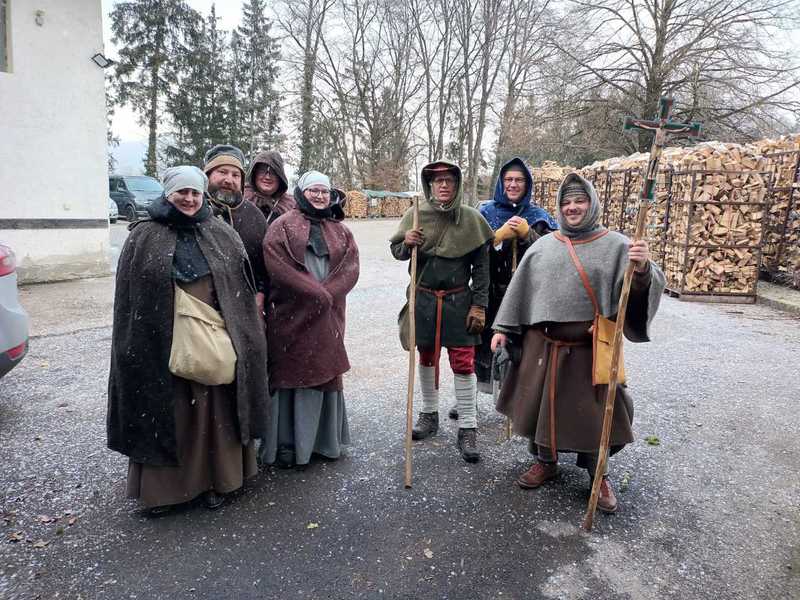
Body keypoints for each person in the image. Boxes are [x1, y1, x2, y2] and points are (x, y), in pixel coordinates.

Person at [491, 172, 665, 513]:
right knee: (540, 405)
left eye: (580, 201)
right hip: (543, 345)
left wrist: (643, 268)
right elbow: (520, 293)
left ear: (592, 204)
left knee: (596, 415)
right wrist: (504, 329)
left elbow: (638, 291)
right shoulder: (543, 247)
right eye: (567, 202)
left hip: (591, 349)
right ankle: (546, 461)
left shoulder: (618, 246)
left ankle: (599, 475)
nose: (572, 207)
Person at [107, 166, 268, 515]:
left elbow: (238, 291)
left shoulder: (221, 233)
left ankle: (217, 482)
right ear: (168, 193)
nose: (190, 199)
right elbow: (130, 301)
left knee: (215, 412)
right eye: (182, 192)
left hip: (214, 339)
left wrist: (238, 332)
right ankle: (165, 493)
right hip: (161, 342)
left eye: (195, 193)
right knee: (169, 412)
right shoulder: (143, 237)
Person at [390, 161, 493, 463]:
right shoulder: (415, 215)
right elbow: (397, 252)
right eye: (438, 181)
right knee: (426, 357)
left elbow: (482, 270)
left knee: (463, 361)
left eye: (449, 180)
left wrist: (479, 305)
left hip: (459, 302)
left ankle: (468, 427)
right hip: (423, 300)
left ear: (457, 184)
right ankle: (429, 415)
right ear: (430, 185)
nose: (444, 185)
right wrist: (406, 242)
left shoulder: (472, 219)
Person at [259, 170, 360, 469]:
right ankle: (288, 443)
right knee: (290, 372)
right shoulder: (282, 226)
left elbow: (350, 269)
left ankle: (323, 442)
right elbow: (279, 266)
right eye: (313, 190)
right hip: (292, 312)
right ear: (302, 193)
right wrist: (314, 293)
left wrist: (327, 295)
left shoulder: (341, 230)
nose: (319, 195)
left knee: (324, 369)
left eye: (324, 191)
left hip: (328, 314)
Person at [465, 157, 557, 405]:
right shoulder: (485, 213)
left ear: (527, 184)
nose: (513, 184)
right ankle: (468, 399)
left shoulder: (538, 216)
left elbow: (553, 254)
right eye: (508, 179)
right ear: (501, 183)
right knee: (480, 345)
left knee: (518, 347)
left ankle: (513, 401)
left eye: (519, 180)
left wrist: (529, 234)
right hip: (489, 291)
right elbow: (469, 249)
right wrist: (496, 237)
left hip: (523, 293)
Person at [203, 144, 269, 309]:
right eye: (222, 172)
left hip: (244, 306)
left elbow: (264, 266)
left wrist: (261, 293)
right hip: (200, 307)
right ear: (207, 175)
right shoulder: (193, 210)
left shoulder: (254, 216)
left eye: (235, 175)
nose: (229, 180)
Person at [244, 151, 296, 225]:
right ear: (255, 174)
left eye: (273, 172)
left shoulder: (290, 207)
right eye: (262, 171)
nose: (267, 177)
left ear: (280, 177)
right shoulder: (241, 198)